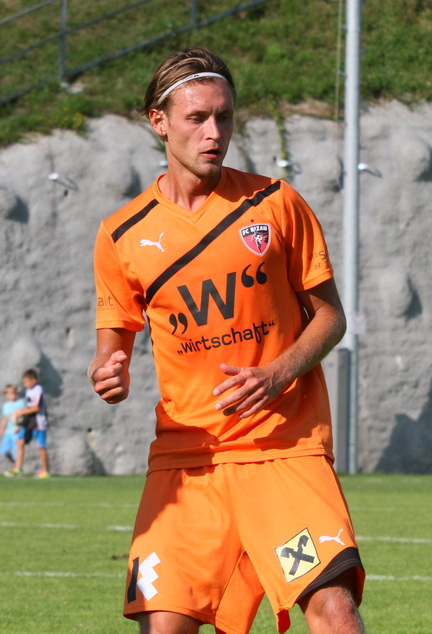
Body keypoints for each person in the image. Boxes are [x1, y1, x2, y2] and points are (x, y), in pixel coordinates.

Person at [88, 48, 365, 634]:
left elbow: (330, 317)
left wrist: (277, 373)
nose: (215, 133)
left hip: (283, 448)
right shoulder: (121, 235)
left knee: (333, 609)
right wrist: (109, 372)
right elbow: (112, 349)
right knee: (163, 625)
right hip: (188, 460)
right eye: (197, 118)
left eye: (225, 116)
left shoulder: (275, 203)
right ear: (159, 122)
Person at [4, 369, 50, 478]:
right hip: (29, 421)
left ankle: (46, 471)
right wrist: (22, 413)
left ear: (33, 380)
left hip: (39, 422)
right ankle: (18, 468)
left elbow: (37, 407)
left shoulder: (38, 389)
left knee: (41, 446)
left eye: (26, 382)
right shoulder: (28, 391)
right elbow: (29, 406)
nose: (25, 385)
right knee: (20, 442)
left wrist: (21, 412)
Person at [0, 384, 26, 467]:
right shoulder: (5, 406)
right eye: (10, 393)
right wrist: (1, 429)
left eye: (14, 393)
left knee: (16, 452)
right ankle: (13, 461)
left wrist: (20, 427)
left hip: (17, 432)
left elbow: (25, 417)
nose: (13, 395)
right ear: (6, 394)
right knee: (3, 451)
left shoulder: (20, 403)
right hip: (8, 432)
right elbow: (5, 419)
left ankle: (17, 468)